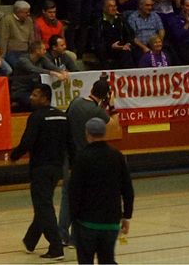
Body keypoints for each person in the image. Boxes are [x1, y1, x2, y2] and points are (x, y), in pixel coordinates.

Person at [10, 84, 72, 261]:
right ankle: (30, 241)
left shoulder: (36, 117)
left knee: (43, 206)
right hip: (57, 168)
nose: (31, 97)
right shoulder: (62, 116)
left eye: (35, 95)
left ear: (45, 98)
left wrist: (14, 156)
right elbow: (71, 142)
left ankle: (56, 247)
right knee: (43, 204)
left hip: (40, 169)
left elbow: (27, 142)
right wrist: (73, 164)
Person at [68, 117, 134, 265]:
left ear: (87, 133)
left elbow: (74, 191)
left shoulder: (82, 157)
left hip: (87, 222)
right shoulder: (117, 156)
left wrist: (74, 218)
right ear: (104, 133)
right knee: (107, 260)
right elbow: (127, 188)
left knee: (85, 261)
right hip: (111, 222)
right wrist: (127, 215)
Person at [60, 77, 112, 248]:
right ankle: (76, 238)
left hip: (68, 156)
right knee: (83, 200)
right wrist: (110, 104)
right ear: (104, 96)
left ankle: (61, 234)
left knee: (67, 197)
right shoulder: (97, 112)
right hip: (86, 160)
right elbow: (111, 122)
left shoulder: (75, 102)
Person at [93, 0, 135, 69]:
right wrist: (111, 46)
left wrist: (128, 43)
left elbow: (131, 34)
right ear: (104, 8)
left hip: (121, 47)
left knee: (128, 52)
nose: (114, 8)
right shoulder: (99, 21)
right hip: (106, 48)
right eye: (110, 6)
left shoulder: (121, 19)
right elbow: (97, 41)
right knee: (101, 50)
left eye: (115, 6)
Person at [0, 0, 36, 67]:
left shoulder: (29, 20)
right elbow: (3, 38)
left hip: (26, 51)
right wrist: (2, 56)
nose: (29, 14)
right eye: (26, 12)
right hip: (12, 52)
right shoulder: (7, 20)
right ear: (18, 12)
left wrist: (33, 52)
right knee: (20, 66)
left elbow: (31, 38)